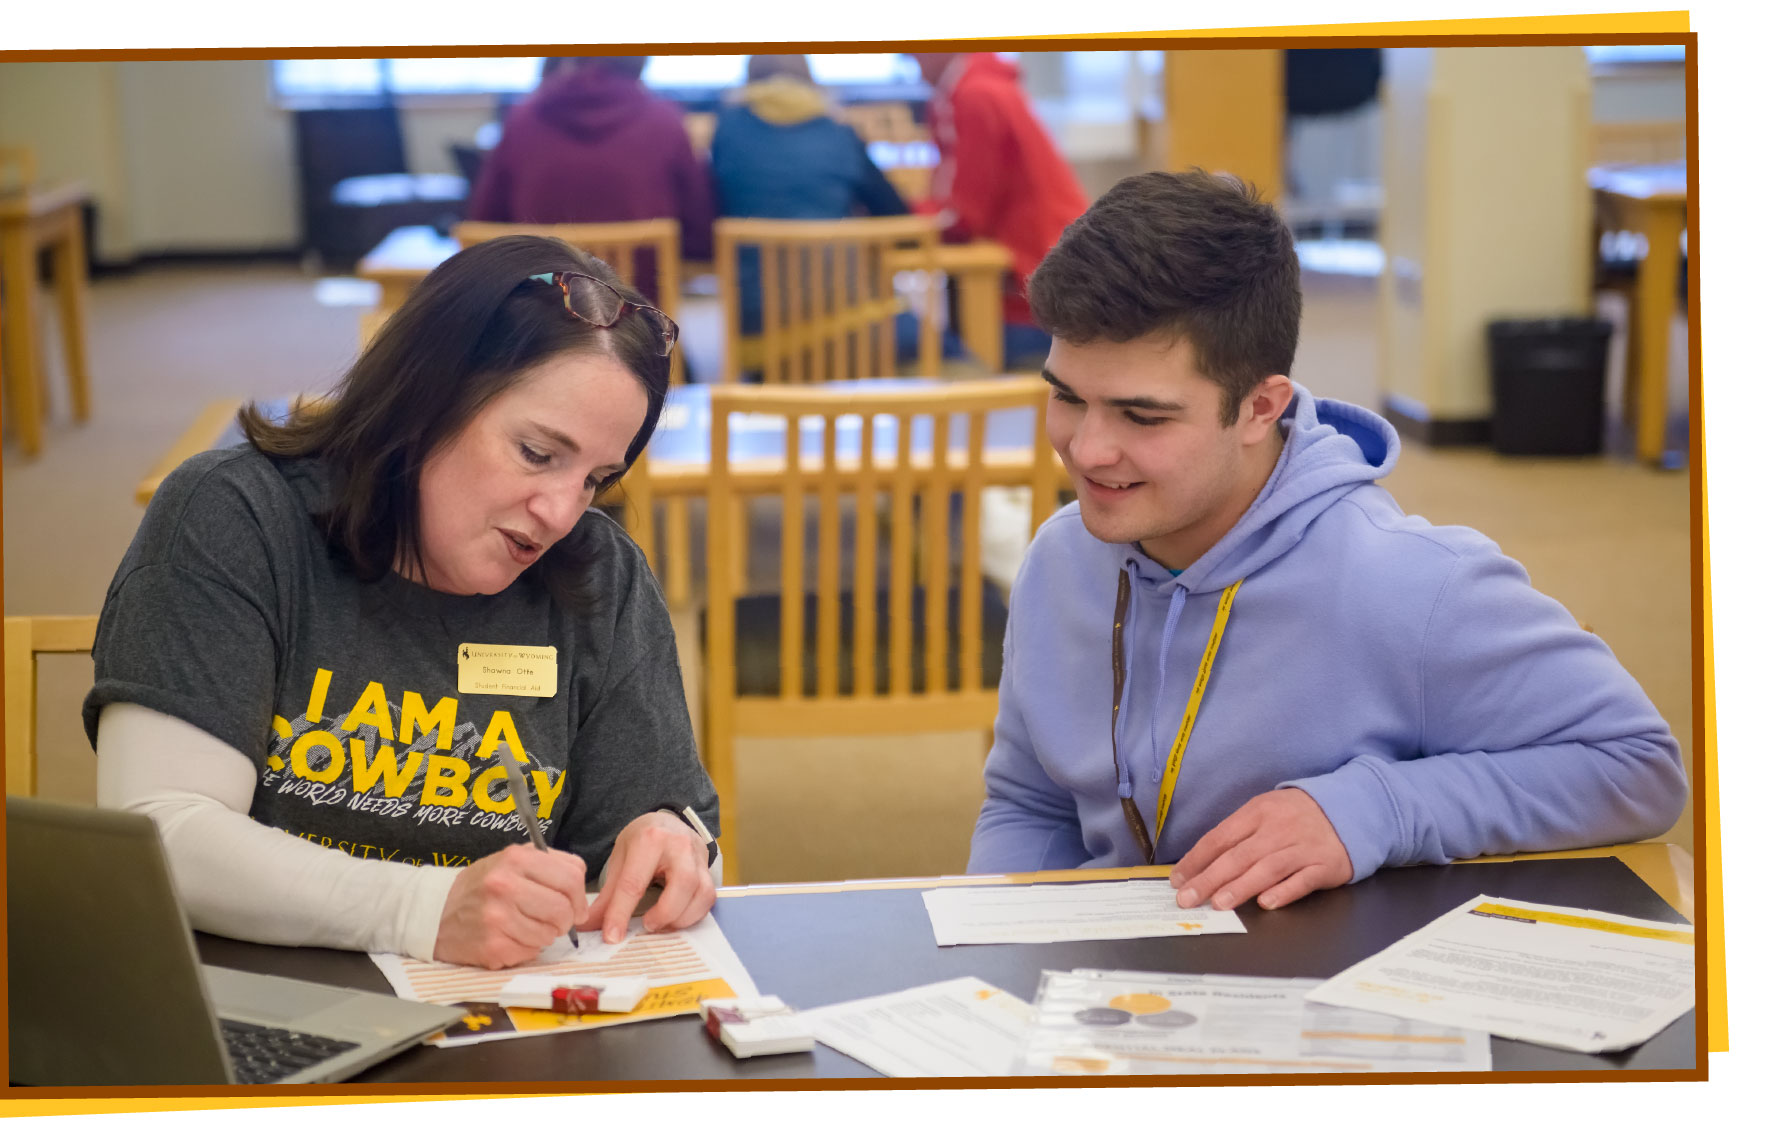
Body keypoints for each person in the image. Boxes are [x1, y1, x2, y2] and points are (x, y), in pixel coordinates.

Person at [967, 171, 1687, 913]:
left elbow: (1639, 764)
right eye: (1067, 396)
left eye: (1142, 417)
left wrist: (1375, 807)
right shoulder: (1059, 560)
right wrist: (991, 938)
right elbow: (1031, 805)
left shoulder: (1408, 585)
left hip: (1320, 974)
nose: (1086, 450)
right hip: (1108, 973)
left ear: (1261, 407)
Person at [87, 235, 719, 971]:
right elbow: (165, 831)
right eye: (536, 453)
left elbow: (664, 846)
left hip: (500, 1010)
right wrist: (425, 909)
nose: (559, 513)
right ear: (425, 400)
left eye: (595, 480)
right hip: (256, 997)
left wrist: (672, 844)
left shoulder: (600, 575)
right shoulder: (235, 517)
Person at [906, 52, 1088, 369]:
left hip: (1030, 292)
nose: (916, 72)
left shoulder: (972, 94)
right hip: (1056, 272)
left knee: (933, 351)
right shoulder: (985, 86)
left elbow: (963, 214)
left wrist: (901, 215)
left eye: (914, 58)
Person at [711, 54, 909, 337]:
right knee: (944, 347)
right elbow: (896, 216)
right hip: (844, 317)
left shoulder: (728, 131)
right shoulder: (838, 133)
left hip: (759, 328)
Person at [467, 56, 714, 265]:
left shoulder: (522, 120)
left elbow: (483, 227)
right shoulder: (665, 121)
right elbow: (700, 235)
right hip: (641, 301)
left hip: (542, 299)